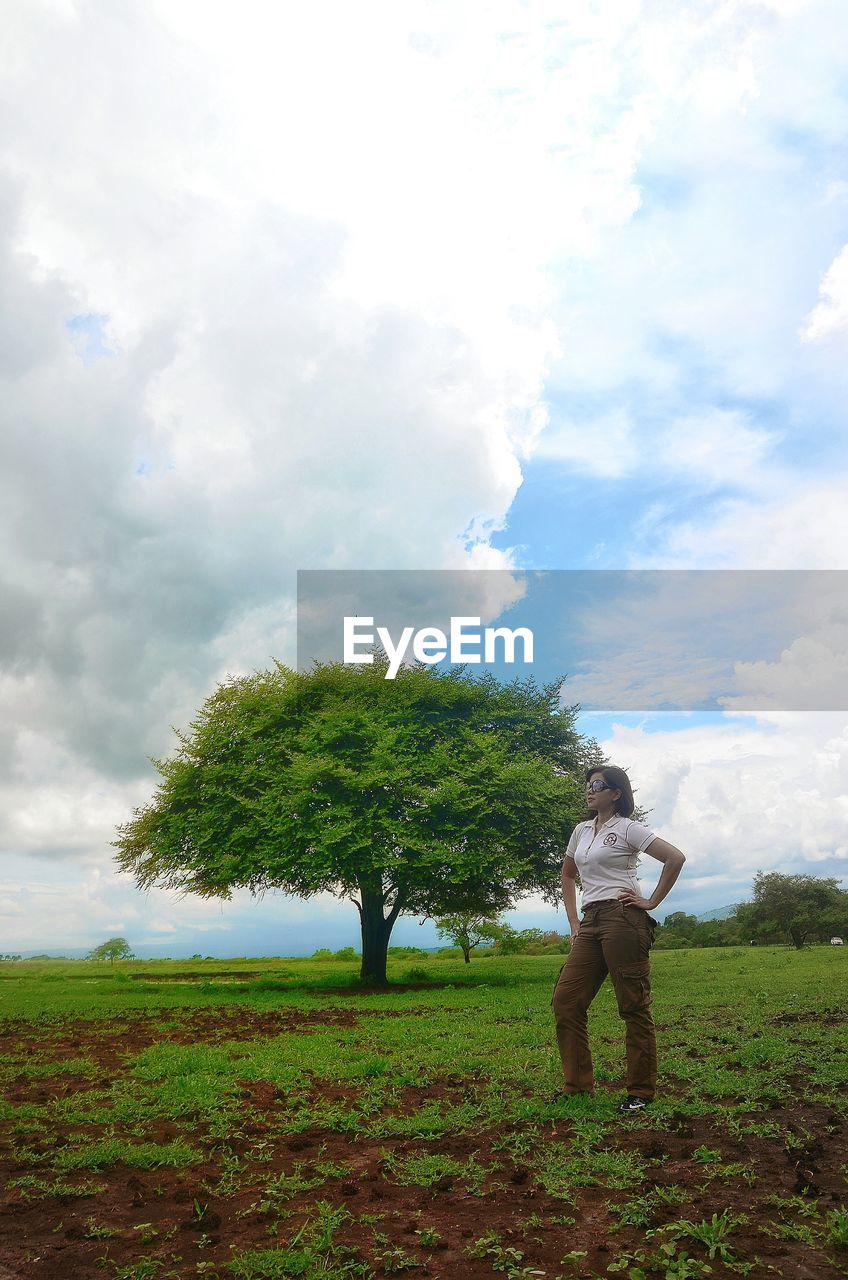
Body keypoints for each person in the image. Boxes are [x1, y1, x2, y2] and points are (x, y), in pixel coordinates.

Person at [551, 765, 686, 1114]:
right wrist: (574, 921)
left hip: (624, 918)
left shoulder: (628, 828)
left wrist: (652, 901)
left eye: (599, 785)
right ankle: (578, 1087)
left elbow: (675, 857)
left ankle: (640, 1091)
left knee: (633, 1005)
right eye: (588, 785)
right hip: (591, 920)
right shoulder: (581, 831)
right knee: (566, 1000)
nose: (590, 790)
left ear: (616, 793)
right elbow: (567, 875)